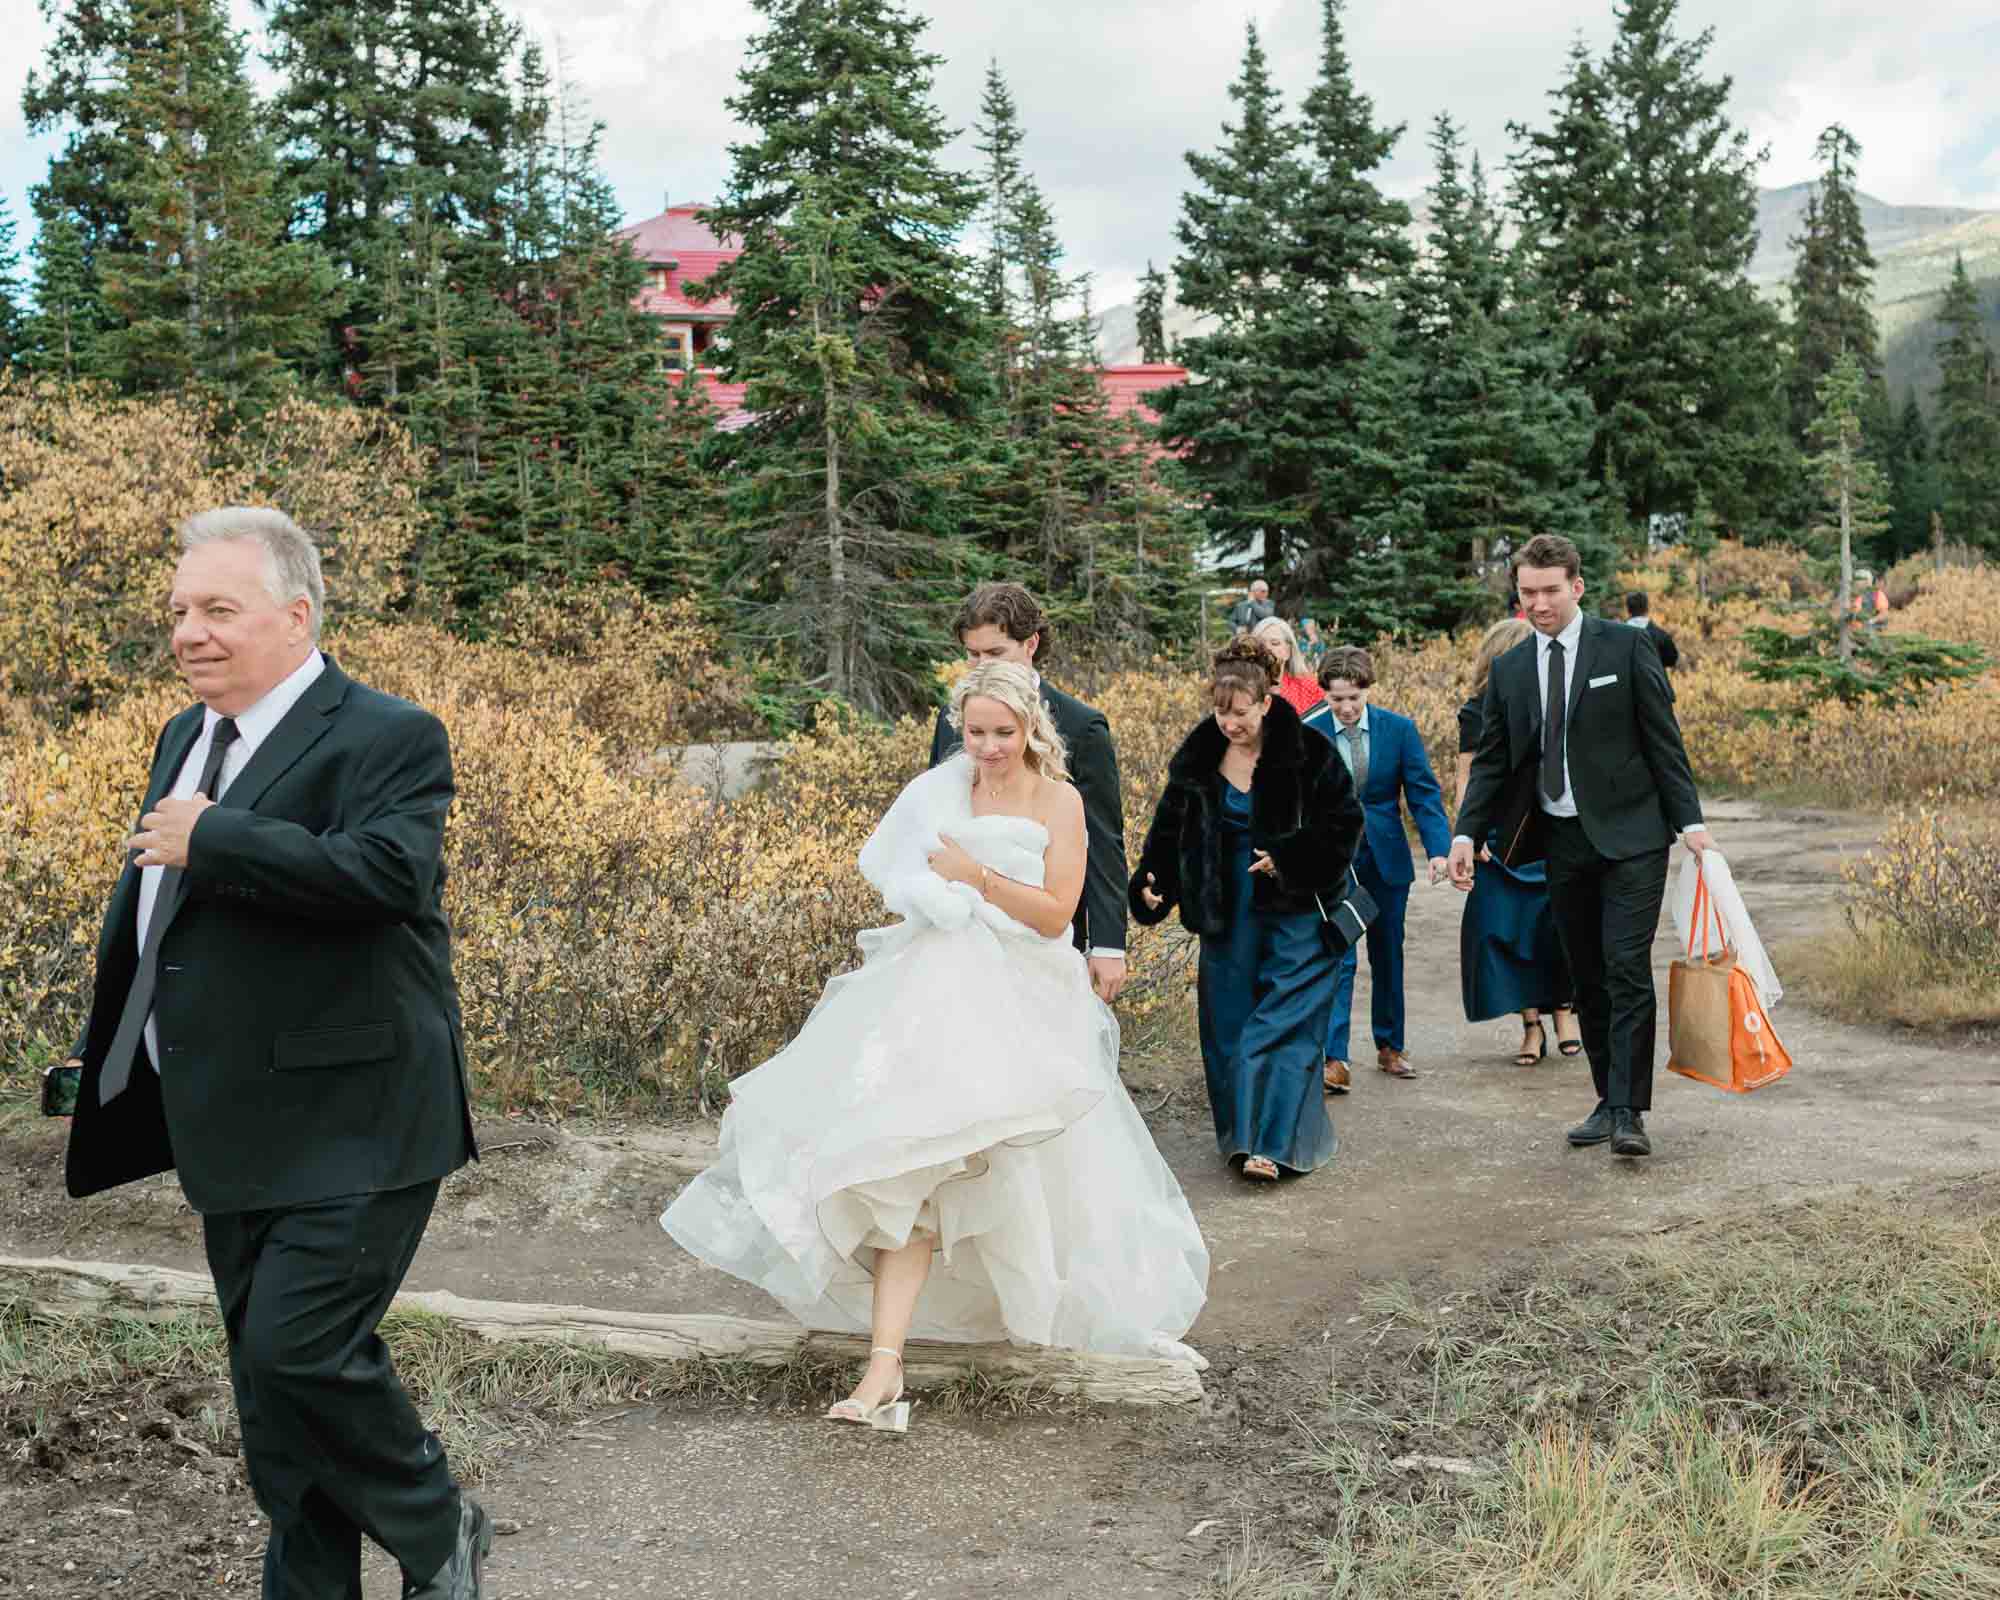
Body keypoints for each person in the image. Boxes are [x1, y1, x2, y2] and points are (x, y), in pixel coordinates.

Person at [60, 509, 491, 1598]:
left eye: (218, 609)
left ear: (296, 616)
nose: (189, 633)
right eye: (177, 612)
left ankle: (439, 1527)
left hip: (359, 1111)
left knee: (300, 1350)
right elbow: (165, 921)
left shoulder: (389, 733)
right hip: (228, 1115)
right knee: (270, 1391)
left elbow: (390, 874)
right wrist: (114, 1056)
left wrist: (219, 836)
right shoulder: (182, 734)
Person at [664, 661, 1207, 1427]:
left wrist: (972, 876)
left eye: (1002, 733)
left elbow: (1057, 914)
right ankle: (882, 1367)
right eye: (975, 732)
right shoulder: (943, 790)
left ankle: (1038, 1321)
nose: (985, 748)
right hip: (931, 992)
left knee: (1029, 1175)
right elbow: (893, 865)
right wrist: (930, 888)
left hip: (1024, 1001)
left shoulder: (1060, 799)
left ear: (1031, 728)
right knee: (904, 1165)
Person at [1450, 533, 1713, 1160]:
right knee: (1583, 974)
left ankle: (1629, 1111)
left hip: (1633, 838)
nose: (1538, 604)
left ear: (1577, 586)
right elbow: (1491, 761)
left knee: (1625, 967)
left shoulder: (1626, 646)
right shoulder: (1512, 669)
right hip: (1561, 841)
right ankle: (1606, 1095)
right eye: (1527, 593)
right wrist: (1466, 831)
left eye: (1549, 591)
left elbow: (1663, 742)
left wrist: (1691, 824)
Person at [1129, 638, 1362, 1181]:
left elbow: (1345, 825)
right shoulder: (1197, 758)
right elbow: (1169, 830)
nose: (1229, 723)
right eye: (1219, 711)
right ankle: (1241, 1135)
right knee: (1229, 1024)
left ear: (1266, 700)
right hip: (1224, 912)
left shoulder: (1311, 752)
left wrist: (1289, 858)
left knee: (1280, 1024)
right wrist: (1154, 882)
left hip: (1298, 913)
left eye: (1240, 712)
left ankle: (1273, 1145)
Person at [929, 584, 1128, 1004]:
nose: (980, 667)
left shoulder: (1081, 725)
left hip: (1042, 931)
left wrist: (1108, 944)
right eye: (973, 655)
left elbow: (1104, 842)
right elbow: (935, 815)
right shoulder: (953, 721)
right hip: (958, 936)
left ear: (1031, 643)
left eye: (995, 654)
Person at [1310, 646, 1453, 1087]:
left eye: (1354, 698)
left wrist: (1439, 851)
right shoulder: (1308, 734)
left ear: (1367, 690)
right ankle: (1336, 1058)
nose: (1347, 708)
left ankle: (1390, 1045)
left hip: (1387, 859)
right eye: (1337, 700)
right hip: (1333, 862)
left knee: (1387, 951)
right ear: (1326, 696)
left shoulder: (1399, 730)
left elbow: (1424, 795)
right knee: (1340, 954)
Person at [1456, 619, 1582, 1065]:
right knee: (1503, 932)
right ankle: (1531, 1026)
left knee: (1555, 928)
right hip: (1497, 834)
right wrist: (1466, 835)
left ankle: (1565, 1013)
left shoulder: (1555, 700)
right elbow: (1468, 776)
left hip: (1549, 829)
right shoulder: (1474, 712)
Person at [1252, 615, 1325, 716]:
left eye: (1275, 643)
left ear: (1288, 651)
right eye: (1261, 644)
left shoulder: (1309, 689)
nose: (1267, 649)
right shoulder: (1240, 689)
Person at [1624, 590, 1680, 670]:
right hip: (1654, 681)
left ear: (1628, 609)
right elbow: (1671, 660)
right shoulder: (1661, 636)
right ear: (1647, 608)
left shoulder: (1617, 637)